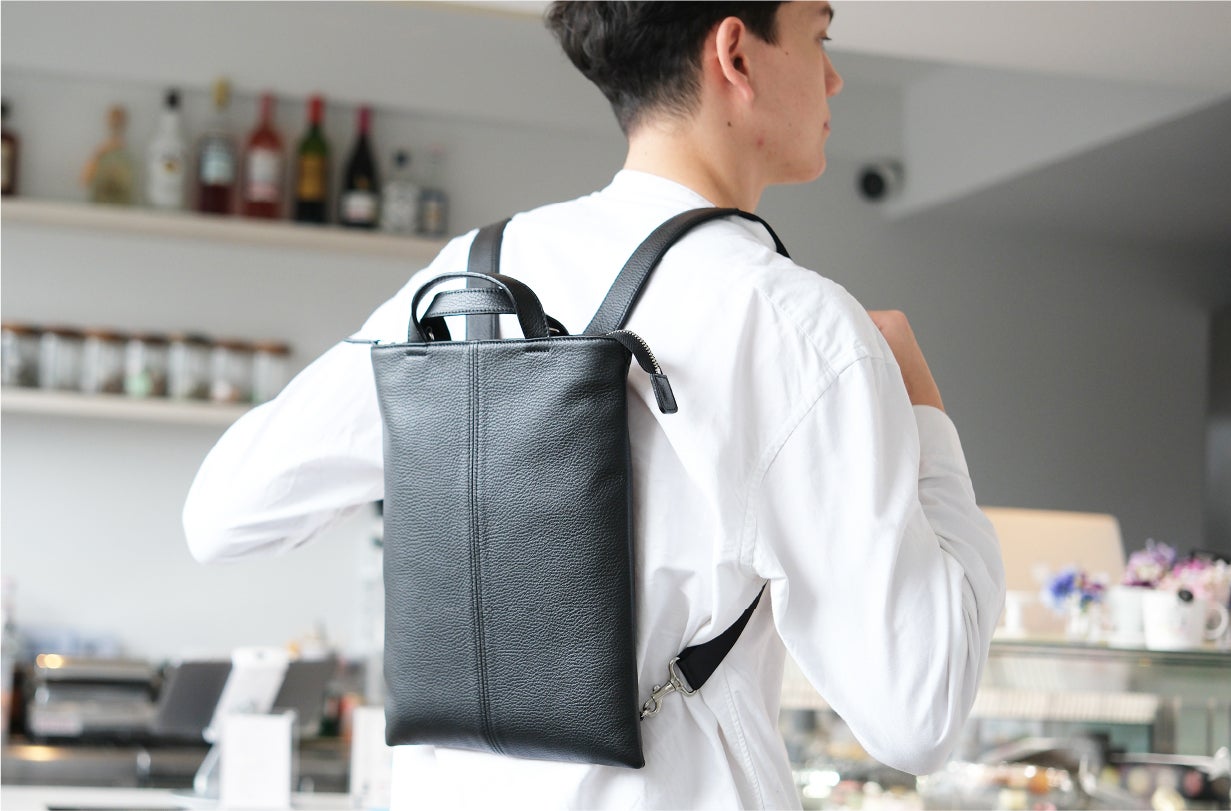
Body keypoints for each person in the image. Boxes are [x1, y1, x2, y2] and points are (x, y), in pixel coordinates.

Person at [183, 2, 1005, 807]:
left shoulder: (475, 269)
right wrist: (924, 420)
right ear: (735, 54)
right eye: (818, 36)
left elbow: (221, 515)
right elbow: (918, 714)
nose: (832, 79)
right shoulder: (793, 322)